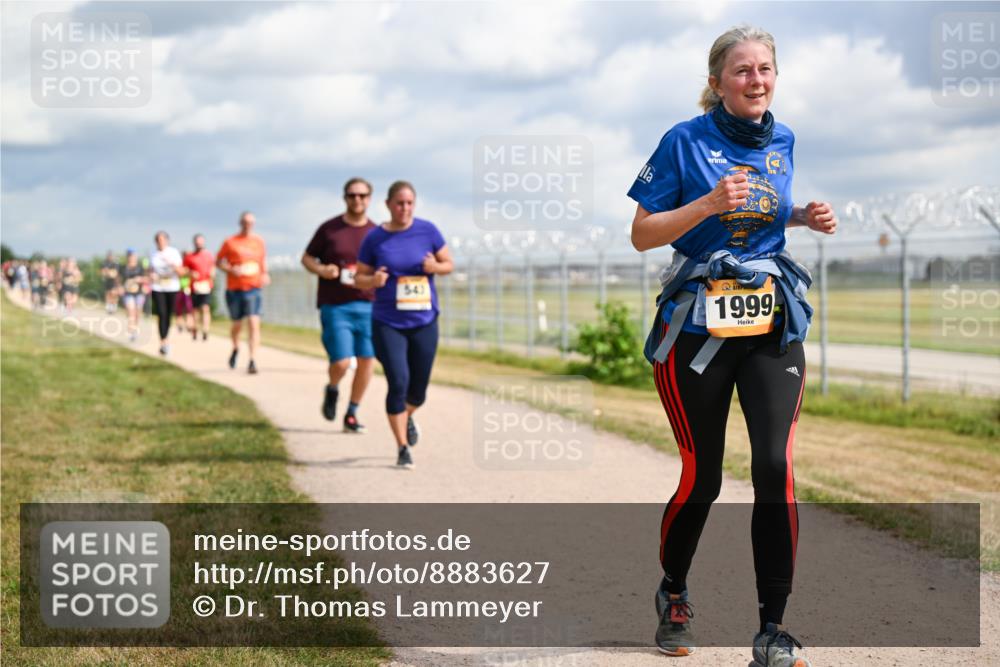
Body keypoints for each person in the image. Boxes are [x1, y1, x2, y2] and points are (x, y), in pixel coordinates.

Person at [628, 25, 836, 667]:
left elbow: (761, 219)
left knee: (776, 469)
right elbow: (642, 233)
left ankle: (773, 629)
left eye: (765, 68)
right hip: (697, 329)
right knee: (705, 477)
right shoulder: (683, 140)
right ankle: (674, 592)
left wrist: (801, 216)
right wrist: (708, 202)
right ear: (717, 81)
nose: (757, 80)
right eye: (742, 71)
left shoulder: (784, 138)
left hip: (771, 320)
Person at [355, 181, 452, 468]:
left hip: (424, 320)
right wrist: (373, 281)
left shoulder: (428, 231)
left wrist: (435, 267)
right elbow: (359, 277)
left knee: (418, 390)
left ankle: (407, 415)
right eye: (399, 203)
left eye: (409, 203)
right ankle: (402, 447)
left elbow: (449, 264)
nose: (404, 208)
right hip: (388, 322)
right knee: (398, 381)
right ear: (387, 205)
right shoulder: (375, 238)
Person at [302, 178, 378, 434]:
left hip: (369, 304)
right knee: (343, 362)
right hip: (336, 305)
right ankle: (333, 387)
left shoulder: (376, 233)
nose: (357, 200)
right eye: (352, 195)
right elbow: (307, 258)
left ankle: (352, 413)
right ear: (345, 198)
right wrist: (322, 269)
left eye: (362, 195)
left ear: (370, 198)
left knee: (367, 361)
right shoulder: (330, 229)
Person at [217, 211, 269, 374]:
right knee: (237, 325)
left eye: (251, 222)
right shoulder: (230, 242)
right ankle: (235, 347)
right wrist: (232, 269)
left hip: (253, 288)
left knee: (254, 323)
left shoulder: (259, 242)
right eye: (245, 222)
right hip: (234, 289)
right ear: (240, 223)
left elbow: (262, 261)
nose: (248, 225)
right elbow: (219, 262)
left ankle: (252, 360)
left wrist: (265, 274)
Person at [149, 231, 183, 355]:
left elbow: (181, 272)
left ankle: (166, 338)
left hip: (172, 287)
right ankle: (163, 342)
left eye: (162, 240)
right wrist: (151, 276)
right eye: (158, 240)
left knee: (168, 314)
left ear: (167, 241)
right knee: (161, 314)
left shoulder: (173, 253)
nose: (160, 242)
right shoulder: (153, 255)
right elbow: (150, 271)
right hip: (158, 287)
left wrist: (172, 264)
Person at [184, 233, 216, 341]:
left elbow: (213, 268)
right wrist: (191, 273)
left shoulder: (209, 255)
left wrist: (212, 274)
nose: (199, 244)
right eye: (197, 243)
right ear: (194, 243)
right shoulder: (189, 257)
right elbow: (184, 270)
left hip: (206, 286)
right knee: (195, 310)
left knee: (205, 308)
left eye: (201, 242)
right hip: (195, 287)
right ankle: (195, 328)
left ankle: (206, 330)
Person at [119, 249, 148, 342]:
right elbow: (119, 279)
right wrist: (120, 287)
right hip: (128, 293)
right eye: (130, 256)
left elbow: (146, 279)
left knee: (138, 312)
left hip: (139, 293)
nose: (132, 258)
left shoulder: (140, 268)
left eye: (133, 256)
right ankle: (131, 331)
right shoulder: (123, 268)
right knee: (131, 311)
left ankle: (135, 328)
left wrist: (139, 279)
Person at [174, 253, 195, 334]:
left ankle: (189, 325)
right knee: (178, 310)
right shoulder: (179, 267)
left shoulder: (189, 268)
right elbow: (180, 273)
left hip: (187, 290)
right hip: (178, 290)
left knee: (189, 309)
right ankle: (179, 325)